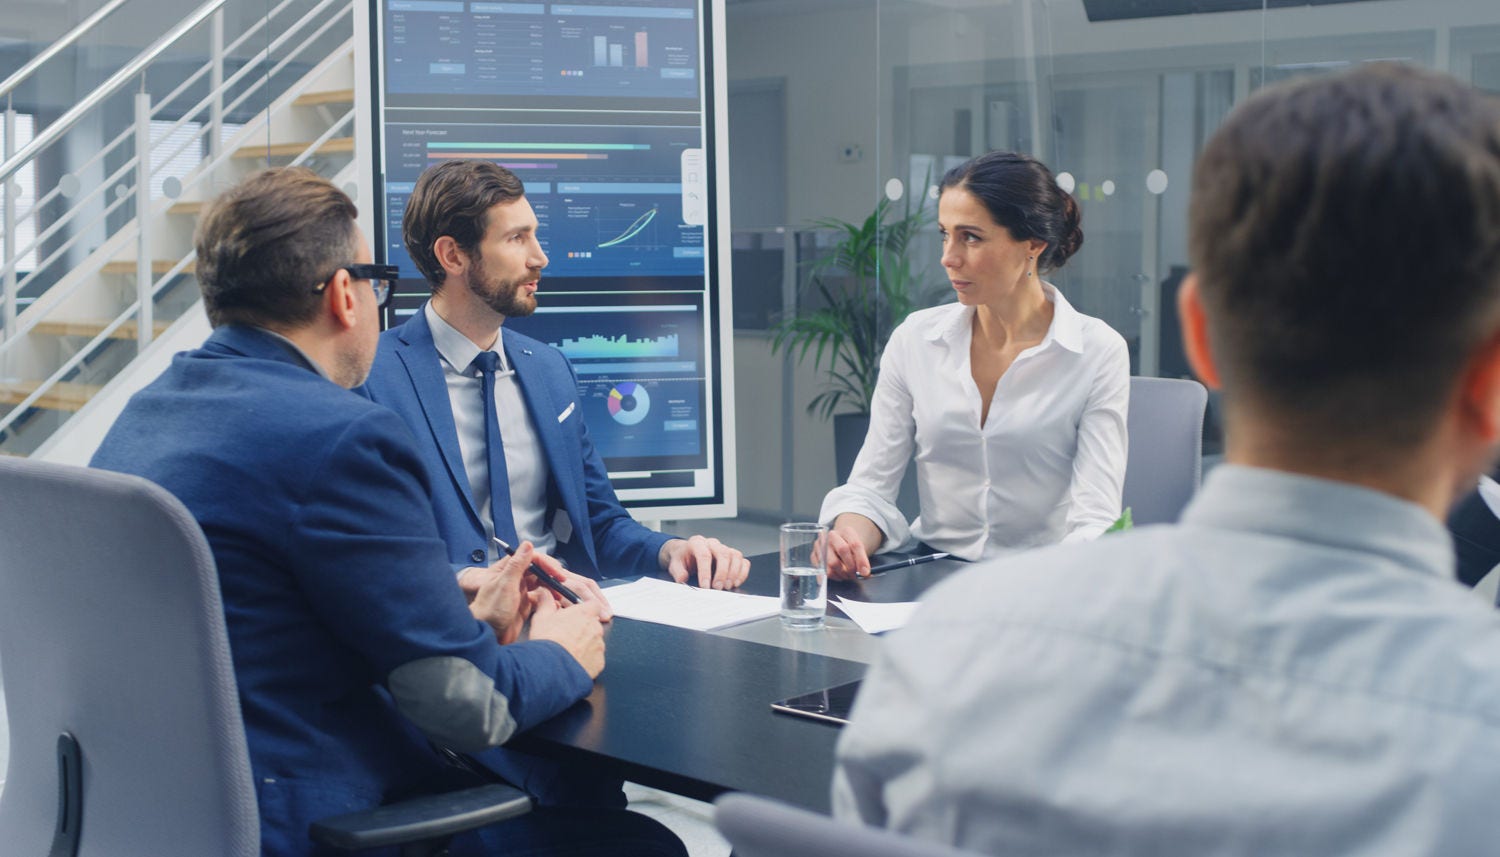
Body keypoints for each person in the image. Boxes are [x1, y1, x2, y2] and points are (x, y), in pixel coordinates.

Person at [832, 63, 1500, 853]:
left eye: (969, 235)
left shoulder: (948, 657)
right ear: (1489, 380)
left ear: (1201, 336)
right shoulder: (1476, 722)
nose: (950, 255)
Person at [90, 167, 684, 857]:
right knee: (643, 845)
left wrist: (447, 606)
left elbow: (273, 612)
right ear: (345, 294)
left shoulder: (146, 414)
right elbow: (470, 705)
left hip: (175, 814)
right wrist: (565, 650)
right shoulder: (341, 435)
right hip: (316, 818)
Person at [361, 159, 749, 590]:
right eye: (516, 238)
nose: (539, 257)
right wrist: (473, 582)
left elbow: (599, 524)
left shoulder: (549, 370)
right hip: (447, 627)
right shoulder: (371, 377)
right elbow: (370, 553)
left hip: (560, 615)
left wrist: (671, 549)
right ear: (453, 255)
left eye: (535, 235)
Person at [820, 151, 1130, 578]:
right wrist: (849, 538)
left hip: (1040, 581)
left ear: (1033, 245)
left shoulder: (1096, 351)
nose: (949, 257)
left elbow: (1095, 519)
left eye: (971, 237)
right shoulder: (915, 341)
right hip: (930, 574)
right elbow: (870, 487)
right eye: (944, 234)